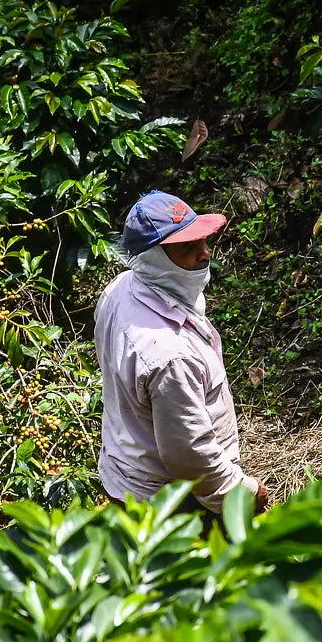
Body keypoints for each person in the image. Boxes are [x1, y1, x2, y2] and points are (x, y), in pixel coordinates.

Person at [94, 190, 269, 523]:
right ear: (154, 259)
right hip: (172, 505)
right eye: (187, 248)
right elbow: (189, 455)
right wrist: (242, 493)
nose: (204, 254)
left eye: (202, 241)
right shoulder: (169, 355)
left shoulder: (121, 289)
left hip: (126, 474)